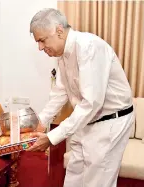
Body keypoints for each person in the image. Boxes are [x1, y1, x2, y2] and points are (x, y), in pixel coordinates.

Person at [27, 8, 135, 187]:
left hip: (109, 123)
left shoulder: (88, 47)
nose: (40, 47)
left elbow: (92, 103)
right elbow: (61, 92)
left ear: (59, 31)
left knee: (98, 183)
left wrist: (53, 137)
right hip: (85, 122)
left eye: (42, 40)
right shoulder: (62, 54)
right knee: (74, 177)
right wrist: (41, 121)